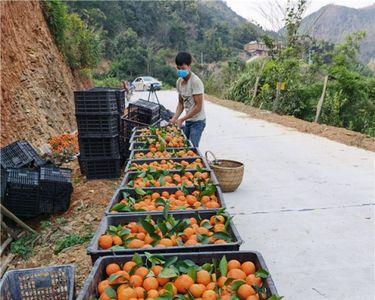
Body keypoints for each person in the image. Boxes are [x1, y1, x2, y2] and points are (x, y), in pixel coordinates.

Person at [170, 52, 206, 147]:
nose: (180, 71)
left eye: (183, 68)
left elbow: (198, 106)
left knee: (193, 146)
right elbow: (181, 103)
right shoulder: (179, 82)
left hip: (198, 121)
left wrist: (182, 119)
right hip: (188, 120)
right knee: (184, 145)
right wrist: (175, 118)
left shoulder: (195, 82)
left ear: (189, 66)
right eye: (178, 68)